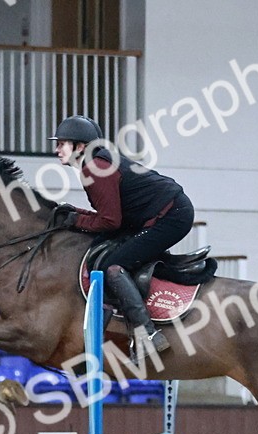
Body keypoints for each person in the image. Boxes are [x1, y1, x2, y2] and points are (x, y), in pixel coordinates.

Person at [50, 114, 195, 363]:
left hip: (171, 217)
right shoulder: (96, 163)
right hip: (163, 212)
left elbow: (110, 222)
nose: (56, 149)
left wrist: (75, 220)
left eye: (62, 143)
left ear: (80, 146)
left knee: (113, 267)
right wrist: (77, 214)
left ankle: (147, 336)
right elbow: (110, 215)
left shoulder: (95, 168)